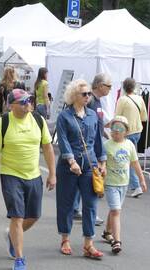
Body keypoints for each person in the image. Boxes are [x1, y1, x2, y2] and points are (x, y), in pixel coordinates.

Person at [0, 89, 56, 270]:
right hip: (11, 175)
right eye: (23, 102)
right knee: (17, 216)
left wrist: (52, 174)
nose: (28, 105)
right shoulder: (2, 123)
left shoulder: (38, 121)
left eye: (29, 101)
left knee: (33, 216)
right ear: (11, 105)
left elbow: (47, 148)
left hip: (33, 175)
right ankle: (19, 259)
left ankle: (12, 235)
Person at [56, 79, 106, 259]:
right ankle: (65, 239)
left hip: (89, 166)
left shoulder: (93, 115)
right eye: (84, 94)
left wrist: (102, 161)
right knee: (66, 204)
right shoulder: (64, 116)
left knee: (91, 205)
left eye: (89, 94)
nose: (87, 97)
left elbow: (98, 140)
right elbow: (63, 140)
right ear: (74, 96)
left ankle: (88, 244)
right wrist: (71, 161)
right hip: (68, 167)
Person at [102, 115, 147, 254]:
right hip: (110, 183)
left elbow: (135, 163)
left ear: (126, 131)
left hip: (123, 183)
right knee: (116, 211)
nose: (116, 130)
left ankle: (107, 232)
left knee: (114, 209)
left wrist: (142, 180)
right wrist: (102, 167)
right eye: (114, 127)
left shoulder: (129, 145)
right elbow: (101, 161)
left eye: (120, 128)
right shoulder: (106, 145)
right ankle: (117, 241)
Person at [73, 73, 112, 225]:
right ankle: (87, 213)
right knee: (90, 181)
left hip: (94, 144)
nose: (110, 89)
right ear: (100, 85)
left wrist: (104, 134)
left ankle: (76, 209)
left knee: (85, 178)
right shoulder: (90, 100)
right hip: (89, 146)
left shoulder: (97, 101)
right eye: (109, 86)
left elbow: (98, 123)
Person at [115, 78, 148, 198]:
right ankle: (133, 185)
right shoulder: (140, 98)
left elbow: (117, 117)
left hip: (126, 132)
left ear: (123, 87)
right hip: (138, 131)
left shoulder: (122, 100)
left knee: (129, 159)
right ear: (134, 87)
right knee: (131, 158)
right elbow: (144, 117)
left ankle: (135, 185)